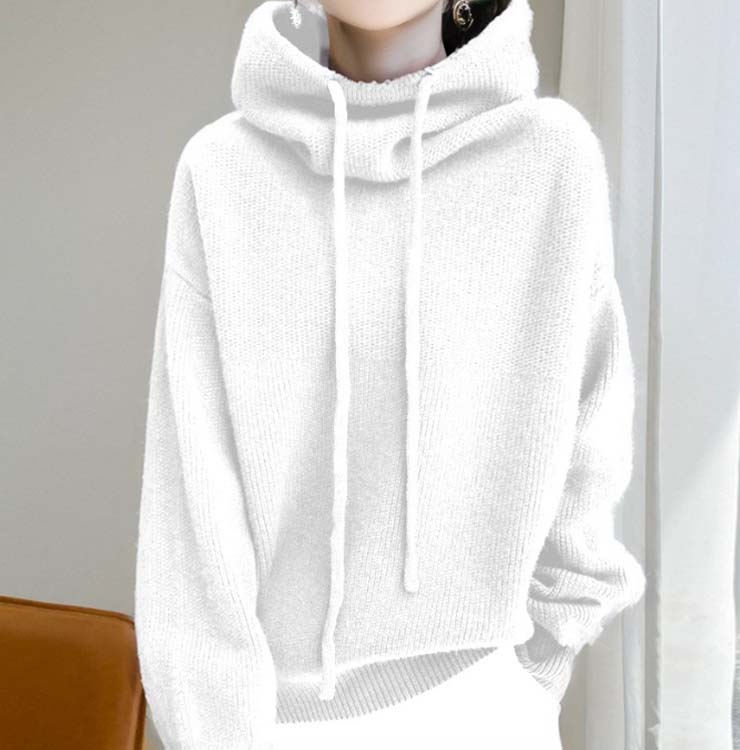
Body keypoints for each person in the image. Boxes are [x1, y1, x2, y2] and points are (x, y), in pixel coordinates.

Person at [133, 0, 647, 748]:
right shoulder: (221, 172)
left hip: (486, 705)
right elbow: (191, 504)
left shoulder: (550, 156)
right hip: (268, 724)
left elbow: (590, 433)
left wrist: (533, 671)